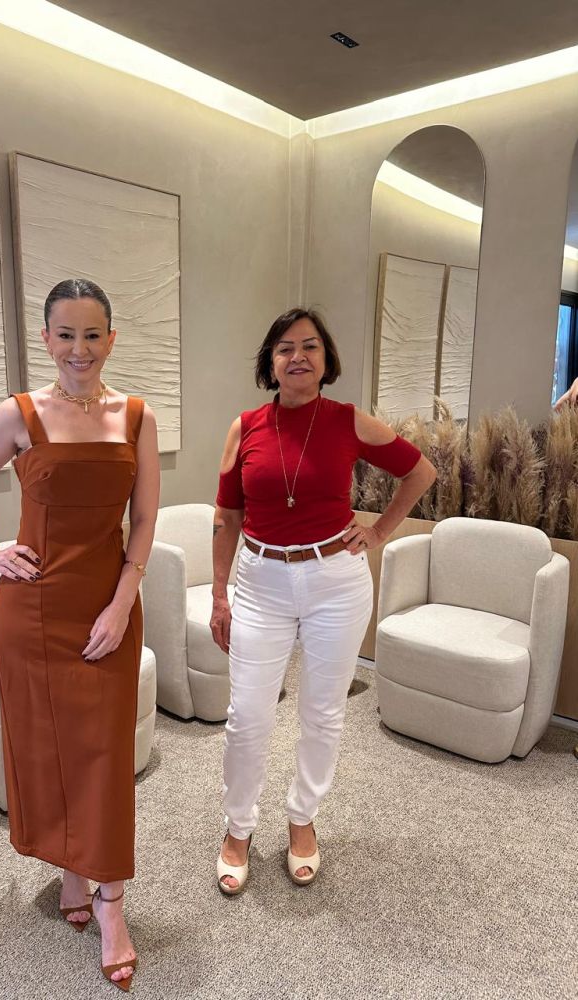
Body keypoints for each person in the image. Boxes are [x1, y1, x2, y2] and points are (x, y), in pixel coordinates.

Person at [0, 278, 159, 990]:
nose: (80, 348)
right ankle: (73, 869)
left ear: (112, 338)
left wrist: (122, 603)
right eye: (66, 334)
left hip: (107, 607)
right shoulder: (18, 413)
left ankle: (110, 903)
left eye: (92, 334)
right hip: (33, 612)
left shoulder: (136, 417)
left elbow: (144, 521)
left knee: (104, 755)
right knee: (49, 749)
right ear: (46, 340)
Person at [210, 307, 436, 894]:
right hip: (260, 581)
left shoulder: (348, 420)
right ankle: (238, 826)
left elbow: (420, 472)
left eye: (310, 346)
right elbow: (227, 516)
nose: (298, 356)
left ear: (326, 359)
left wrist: (379, 531)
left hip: (335, 581)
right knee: (248, 715)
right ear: (270, 363)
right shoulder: (245, 427)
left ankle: (302, 818)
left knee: (323, 712)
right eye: (285, 347)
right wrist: (219, 593)